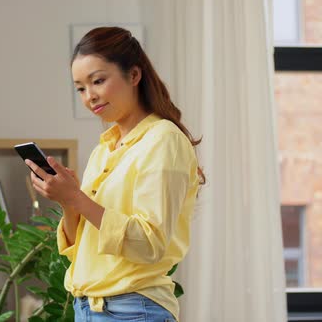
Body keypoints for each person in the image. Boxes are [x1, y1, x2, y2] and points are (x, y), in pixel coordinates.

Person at [25, 26, 205, 322]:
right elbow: (80, 250)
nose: (89, 96)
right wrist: (68, 200)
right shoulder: (104, 150)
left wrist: (77, 198)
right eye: (80, 88)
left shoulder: (163, 140)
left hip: (131, 310)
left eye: (98, 81)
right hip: (87, 308)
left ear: (134, 76)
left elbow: (150, 244)